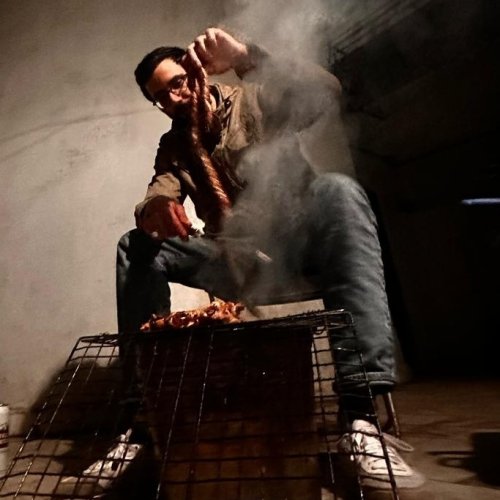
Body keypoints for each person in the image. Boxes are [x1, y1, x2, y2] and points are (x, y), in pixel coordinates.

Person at [61, 27, 424, 495]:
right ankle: (142, 427)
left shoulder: (254, 99)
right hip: (233, 260)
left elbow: (323, 92)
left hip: (298, 249)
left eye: (175, 84)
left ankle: (361, 417)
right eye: (158, 98)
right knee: (135, 244)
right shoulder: (174, 145)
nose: (171, 100)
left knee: (338, 190)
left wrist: (246, 56)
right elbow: (158, 190)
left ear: (196, 72)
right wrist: (154, 209)